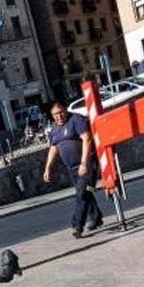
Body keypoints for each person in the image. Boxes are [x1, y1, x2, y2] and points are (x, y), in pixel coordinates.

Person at [43, 101, 103, 239]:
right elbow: (53, 148)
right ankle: (96, 217)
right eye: (55, 114)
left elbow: (87, 139)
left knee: (82, 194)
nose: (59, 116)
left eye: (61, 112)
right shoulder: (54, 130)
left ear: (65, 110)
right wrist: (47, 168)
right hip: (72, 169)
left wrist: (84, 163)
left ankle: (77, 225)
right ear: (52, 116)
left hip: (87, 165)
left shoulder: (76, 120)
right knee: (87, 192)